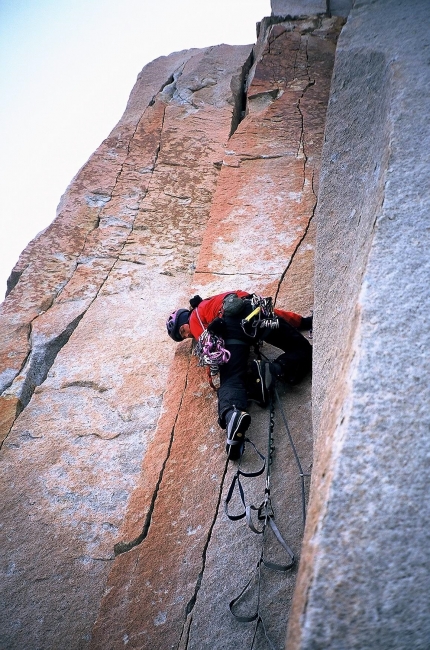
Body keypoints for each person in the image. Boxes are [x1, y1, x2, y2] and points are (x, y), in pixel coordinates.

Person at [166, 291, 312, 460]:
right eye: (183, 337)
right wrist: (303, 321)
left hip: (232, 328)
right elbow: (275, 313)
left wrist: (212, 376)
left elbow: (209, 347)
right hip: (258, 315)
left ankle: (232, 415)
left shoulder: (195, 315)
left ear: (185, 319)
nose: (187, 335)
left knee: (232, 381)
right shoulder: (228, 297)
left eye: (182, 331)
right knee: (303, 350)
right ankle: (274, 370)